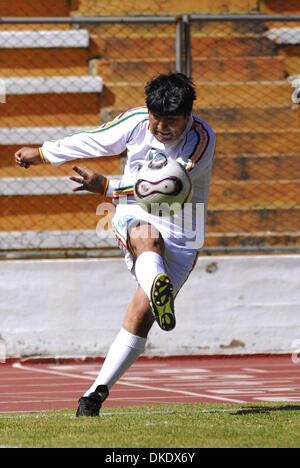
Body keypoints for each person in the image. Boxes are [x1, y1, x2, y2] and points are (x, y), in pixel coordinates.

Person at [14, 73, 216, 417]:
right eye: (156, 117)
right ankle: (156, 283)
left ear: (189, 115)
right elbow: (95, 140)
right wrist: (43, 154)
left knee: (140, 319)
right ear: (148, 110)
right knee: (146, 236)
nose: (161, 127)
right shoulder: (138, 121)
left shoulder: (201, 138)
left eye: (171, 121)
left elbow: (163, 185)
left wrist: (106, 186)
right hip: (134, 211)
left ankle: (93, 395)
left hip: (184, 227)